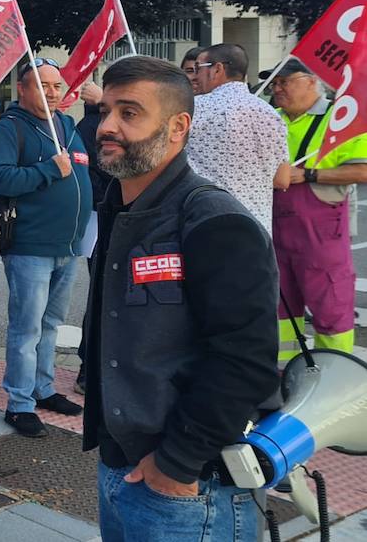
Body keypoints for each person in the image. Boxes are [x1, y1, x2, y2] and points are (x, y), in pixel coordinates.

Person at [84, 56, 278, 542]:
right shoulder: (118, 207)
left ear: (177, 127)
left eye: (129, 113)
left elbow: (247, 362)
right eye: (106, 110)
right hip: (121, 468)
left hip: (189, 490)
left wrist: (177, 463)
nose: (107, 126)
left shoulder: (215, 220)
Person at [0, 58, 91, 437]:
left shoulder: (66, 125)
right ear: (22, 90)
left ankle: (43, 389)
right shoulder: (9, 129)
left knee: (50, 325)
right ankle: (19, 402)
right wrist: (48, 170)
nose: (53, 93)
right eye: (43, 85)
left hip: (67, 245)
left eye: (57, 86)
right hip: (30, 245)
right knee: (26, 328)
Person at [266, 58, 367, 358]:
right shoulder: (270, 117)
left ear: (312, 80)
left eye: (285, 81)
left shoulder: (340, 119)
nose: (277, 88)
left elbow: (362, 170)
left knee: (330, 306)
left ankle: (337, 378)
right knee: (280, 304)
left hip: (321, 231)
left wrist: (308, 174)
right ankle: (286, 371)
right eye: (274, 83)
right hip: (274, 227)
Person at [186, 43, 286, 233]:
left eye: (198, 68)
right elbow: (282, 178)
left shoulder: (192, 110)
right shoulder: (271, 114)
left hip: (204, 222)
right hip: (257, 226)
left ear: (217, 69)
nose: (195, 76)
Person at [72, 80, 109, 396]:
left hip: (108, 217)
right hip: (104, 219)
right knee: (103, 294)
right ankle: (89, 368)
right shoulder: (93, 126)